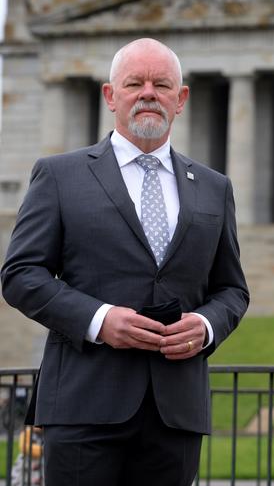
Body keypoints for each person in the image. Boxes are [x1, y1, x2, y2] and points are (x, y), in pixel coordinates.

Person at [1, 38, 249, 486]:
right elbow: (20, 274)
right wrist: (99, 319)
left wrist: (207, 325)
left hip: (175, 412)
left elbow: (231, 289)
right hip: (83, 404)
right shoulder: (59, 175)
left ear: (181, 99)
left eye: (162, 84)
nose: (148, 93)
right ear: (111, 96)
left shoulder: (214, 188)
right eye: (134, 83)